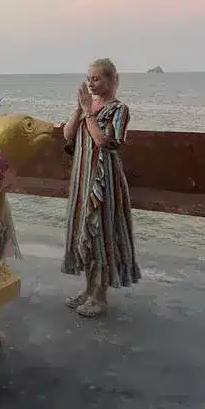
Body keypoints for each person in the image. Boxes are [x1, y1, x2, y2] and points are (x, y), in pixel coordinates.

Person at [61, 58, 140, 316]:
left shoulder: (119, 109)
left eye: (97, 78)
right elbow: (68, 135)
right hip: (82, 177)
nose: (91, 82)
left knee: (101, 234)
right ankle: (87, 290)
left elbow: (104, 141)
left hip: (103, 179)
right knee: (83, 230)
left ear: (111, 80)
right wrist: (79, 109)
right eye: (89, 77)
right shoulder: (88, 106)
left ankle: (100, 296)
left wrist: (88, 113)